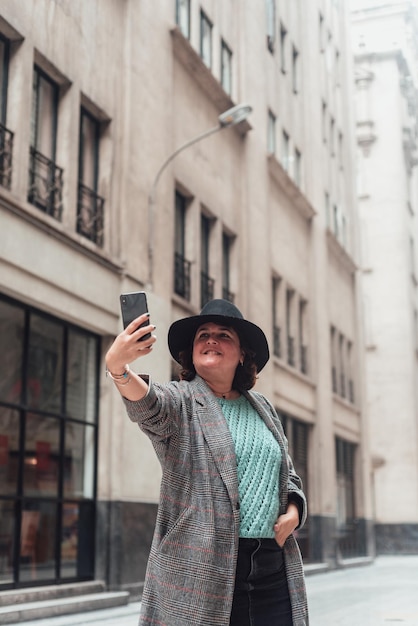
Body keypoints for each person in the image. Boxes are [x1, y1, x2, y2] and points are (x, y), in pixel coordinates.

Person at [105, 298, 309, 626]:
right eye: (203, 334)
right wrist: (119, 369)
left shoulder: (263, 408)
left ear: (243, 354)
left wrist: (294, 512)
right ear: (192, 352)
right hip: (204, 568)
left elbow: (287, 475)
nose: (211, 339)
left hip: (272, 565)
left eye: (224, 334)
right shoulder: (181, 400)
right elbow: (149, 405)